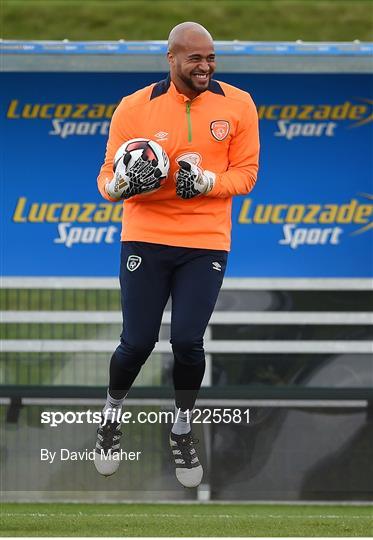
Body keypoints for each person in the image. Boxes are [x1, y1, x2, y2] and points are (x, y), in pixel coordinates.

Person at [95, 21, 260, 488]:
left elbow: (246, 174)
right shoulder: (133, 107)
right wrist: (117, 187)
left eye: (210, 58)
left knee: (188, 341)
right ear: (171, 60)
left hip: (205, 240)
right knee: (138, 342)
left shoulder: (240, 104)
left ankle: (182, 428)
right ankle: (110, 419)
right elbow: (108, 174)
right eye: (195, 59)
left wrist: (209, 182)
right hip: (145, 235)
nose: (205, 66)